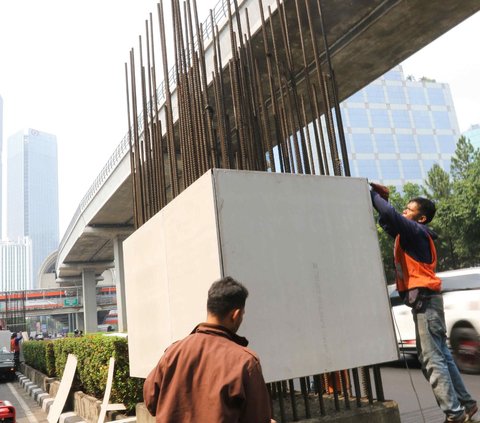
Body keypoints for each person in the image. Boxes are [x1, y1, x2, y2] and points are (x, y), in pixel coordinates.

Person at [370, 182, 477, 423]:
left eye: (409, 210)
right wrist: (382, 198)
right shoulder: (411, 235)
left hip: (426, 303)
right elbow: (388, 221)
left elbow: (389, 215)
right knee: (443, 356)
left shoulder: (416, 233)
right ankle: (467, 404)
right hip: (430, 302)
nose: (404, 212)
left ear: (422, 218)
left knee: (431, 359)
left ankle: (454, 413)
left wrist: (373, 195)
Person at [143, 276, 275, 423]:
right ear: (235, 314)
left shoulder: (173, 352)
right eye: (242, 315)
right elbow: (256, 417)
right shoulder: (245, 361)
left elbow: (151, 401)